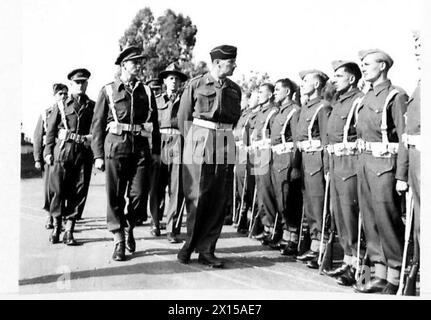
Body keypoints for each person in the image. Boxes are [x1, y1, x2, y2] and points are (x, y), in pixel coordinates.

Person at [91, 46, 161, 261]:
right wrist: (98, 155)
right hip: (115, 148)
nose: (138, 65)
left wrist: (156, 151)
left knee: (139, 194)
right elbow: (97, 124)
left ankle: (130, 226)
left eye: (140, 62)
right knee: (115, 196)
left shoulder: (147, 91)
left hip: (140, 149)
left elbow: (154, 124)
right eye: (134, 62)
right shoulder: (108, 90)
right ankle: (119, 239)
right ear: (123, 65)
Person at [176, 45, 241, 268]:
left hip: (225, 139)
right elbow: (183, 119)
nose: (234, 65)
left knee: (219, 197)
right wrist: (193, 145)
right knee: (197, 194)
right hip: (199, 138)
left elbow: (236, 118)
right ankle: (189, 245)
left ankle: (207, 250)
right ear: (217, 64)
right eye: (231, 62)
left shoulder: (235, 89)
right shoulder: (196, 84)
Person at [352, 49, 408, 295]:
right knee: (370, 221)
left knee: (387, 220)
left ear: (383, 66)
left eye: (367, 64)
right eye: (362, 65)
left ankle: (396, 275)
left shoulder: (396, 96)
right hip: (364, 163)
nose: (363, 68)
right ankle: (378, 273)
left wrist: (402, 175)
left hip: (385, 166)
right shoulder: (365, 98)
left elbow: (406, 138)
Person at [323, 60, 364, 286]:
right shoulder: (339, 103)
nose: (334, 80)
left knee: (352, 216)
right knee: (340, 215)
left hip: (351, 163)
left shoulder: (358, 101)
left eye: (339, 76)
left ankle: (360, 269)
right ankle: (348, 261)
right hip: (336, 163)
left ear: (351, 79)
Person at [44, 69, 94, 245]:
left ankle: (69, 231)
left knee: (78, 191)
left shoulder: (92, 106)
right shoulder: (61, 105)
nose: (80, 85)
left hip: (83, 153)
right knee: (58, 190)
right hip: (63, 152)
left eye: (83, 82)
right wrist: (48, 152)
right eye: (77, 82)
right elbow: (50, 131)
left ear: (87, 84)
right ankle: (57, 226)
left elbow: (97, 130)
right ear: (71, 84)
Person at [295, 69, 332, 269]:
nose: (302, 84)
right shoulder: (306, 107)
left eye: (306, 80)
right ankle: (314, 244)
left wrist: (327, 167)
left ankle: (323, 247)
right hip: (305, 160)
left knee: (318, 205)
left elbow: (326, 141)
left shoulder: (323, 108)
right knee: (309, 205)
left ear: (317, 85)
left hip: (317, 160)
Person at [150, 62, 188, 243]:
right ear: (165, 81)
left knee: (176, 187)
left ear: (181, 83)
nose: (174, 82)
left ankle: (172, 229)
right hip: (160, 143)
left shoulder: (186, 101)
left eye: (177, 79)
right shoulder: (156, 101)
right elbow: (151, 126)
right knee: (157, 186)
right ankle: (155, 222)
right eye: (171, 78)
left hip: (179, 143)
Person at [396, 30, 421, 294]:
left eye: (422, 45)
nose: (416, 50)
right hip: (416, 161)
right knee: (419, 223)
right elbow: (406, 135)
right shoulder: (419, 85)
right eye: (415, 46)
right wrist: (403, 174)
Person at [267, 78, 302, 256]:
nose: (274, 93)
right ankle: (286, 235)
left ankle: (293, 238)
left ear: (287, 92)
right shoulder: (281, 112)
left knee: (289, 200)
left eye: (278, 89)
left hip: (287, 159)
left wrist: (295, 166)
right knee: (280, 199)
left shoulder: (294, 111)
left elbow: (296, 140)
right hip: (276, 158)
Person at [33, 83, 68, 229]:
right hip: (50, 154)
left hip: (65, 153)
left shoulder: (70, 111)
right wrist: (37, 158)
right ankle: (49, 215)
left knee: (64, 186)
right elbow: (38, 136)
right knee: (50, 187)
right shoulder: (46, 113)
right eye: (60, 93)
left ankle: (63, 215)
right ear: (54, 96)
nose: (64, 96)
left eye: (66, 93)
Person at [249, 83, 280, 244]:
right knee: (261, 191)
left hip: (267, 153)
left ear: (270, 95)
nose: (259, 95)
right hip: (258, 154)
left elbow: (274, 135)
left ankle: (272, 229)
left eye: (262, 92)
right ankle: (265, 227)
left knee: (268, 191)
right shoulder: (261, 113)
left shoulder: (273, 112)